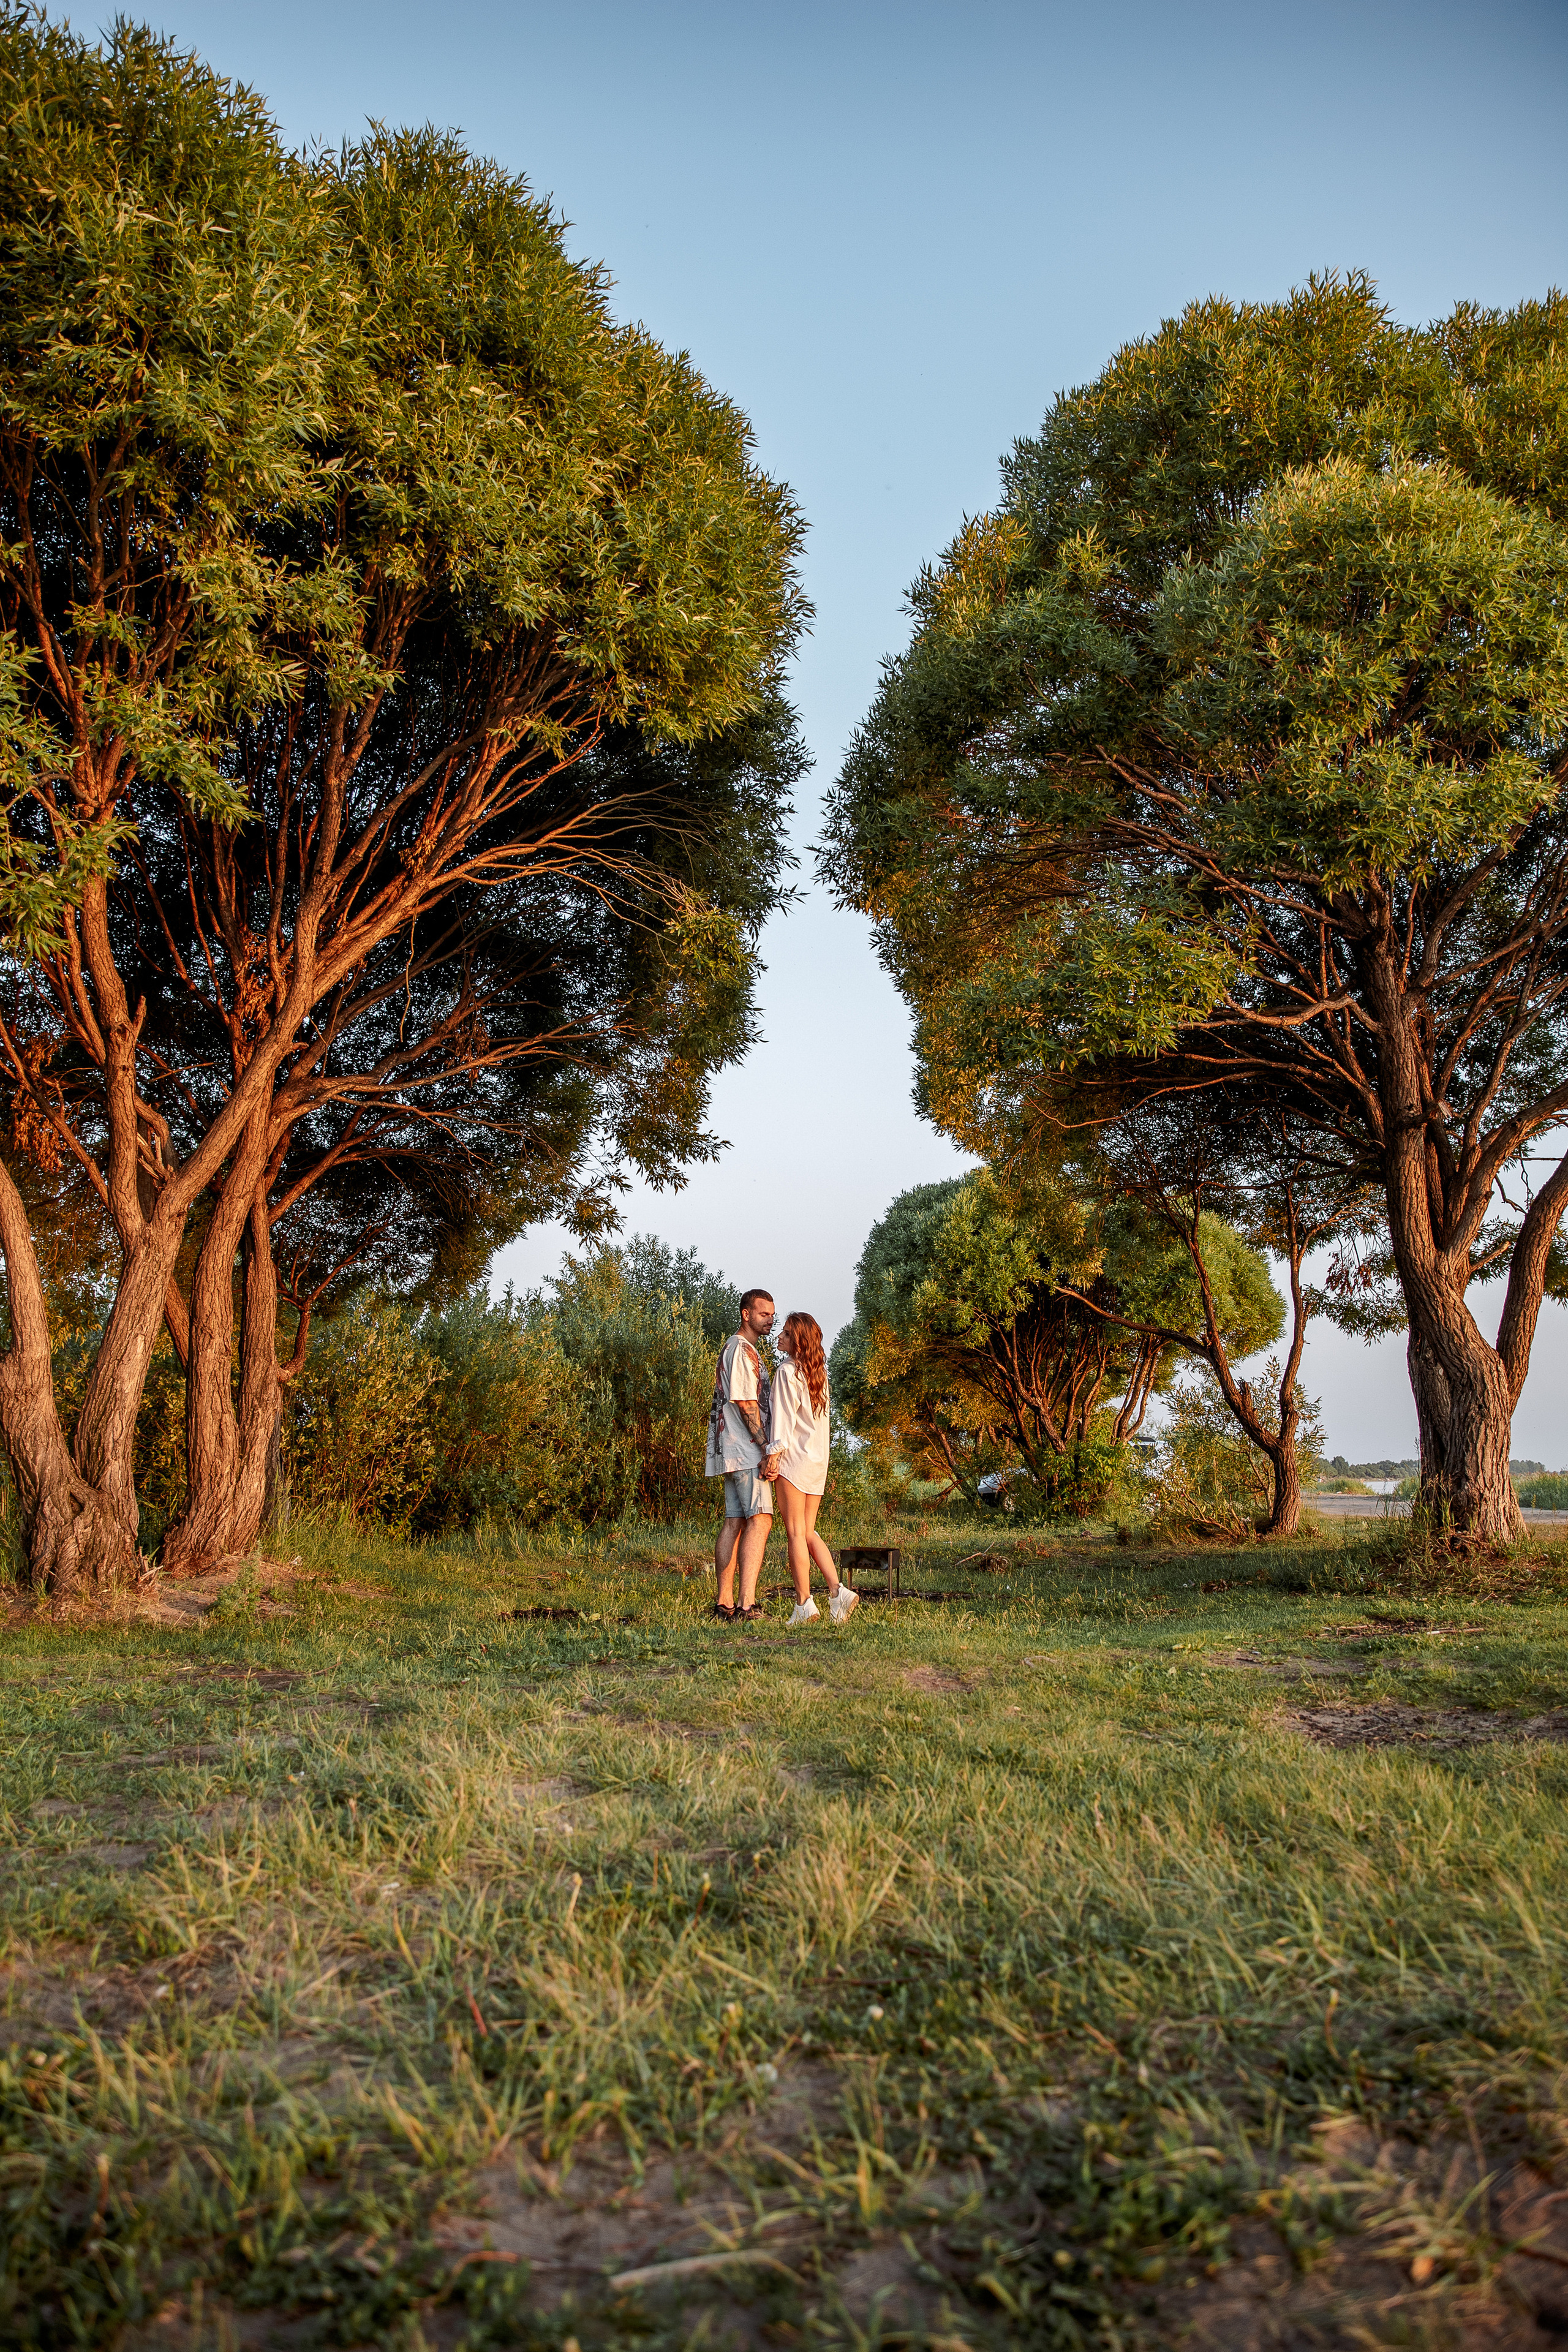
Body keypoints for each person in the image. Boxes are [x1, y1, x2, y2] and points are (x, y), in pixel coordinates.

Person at [763, 1311, 858, 1627]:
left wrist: (773, 1455)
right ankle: (838, 1591)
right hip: (817, 1462)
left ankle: (804, 1604)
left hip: (793, 1461)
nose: (780, 1336)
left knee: (794, 1533)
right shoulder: (818, 1374)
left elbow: (784, 1420)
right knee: (807, 1531)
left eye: (787, 1333)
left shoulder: (787, 1371)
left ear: (799, 1341)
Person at [706, 1287, 777, 1622]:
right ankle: (747, 1605)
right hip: (745, 1450)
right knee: (760, 1519)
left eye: (773, 1315)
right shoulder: (740, 1349)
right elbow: (746, 1403)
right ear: (746, 1314)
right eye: (764, 1314)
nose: (770, 1320)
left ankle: (725, 1604)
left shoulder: (741, 1348)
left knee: (734, 1520)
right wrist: (766, 1447)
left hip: (732, 1448)